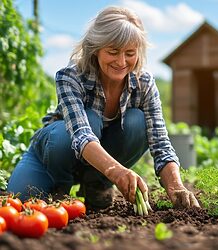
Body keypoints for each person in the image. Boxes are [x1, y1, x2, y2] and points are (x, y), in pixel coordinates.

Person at [7, 6, 200, 210]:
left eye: (130, 53)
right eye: (113, 52)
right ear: (96, 48)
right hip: (54, 156)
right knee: (21, 199)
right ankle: (59, 187)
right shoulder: (70, 77)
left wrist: (176, 186)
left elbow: (160, 142)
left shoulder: (144, 83)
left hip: (100, 166)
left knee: (137, 121)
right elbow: (81, 135)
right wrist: (118, 172)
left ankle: (97, 185)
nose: (121, 61)